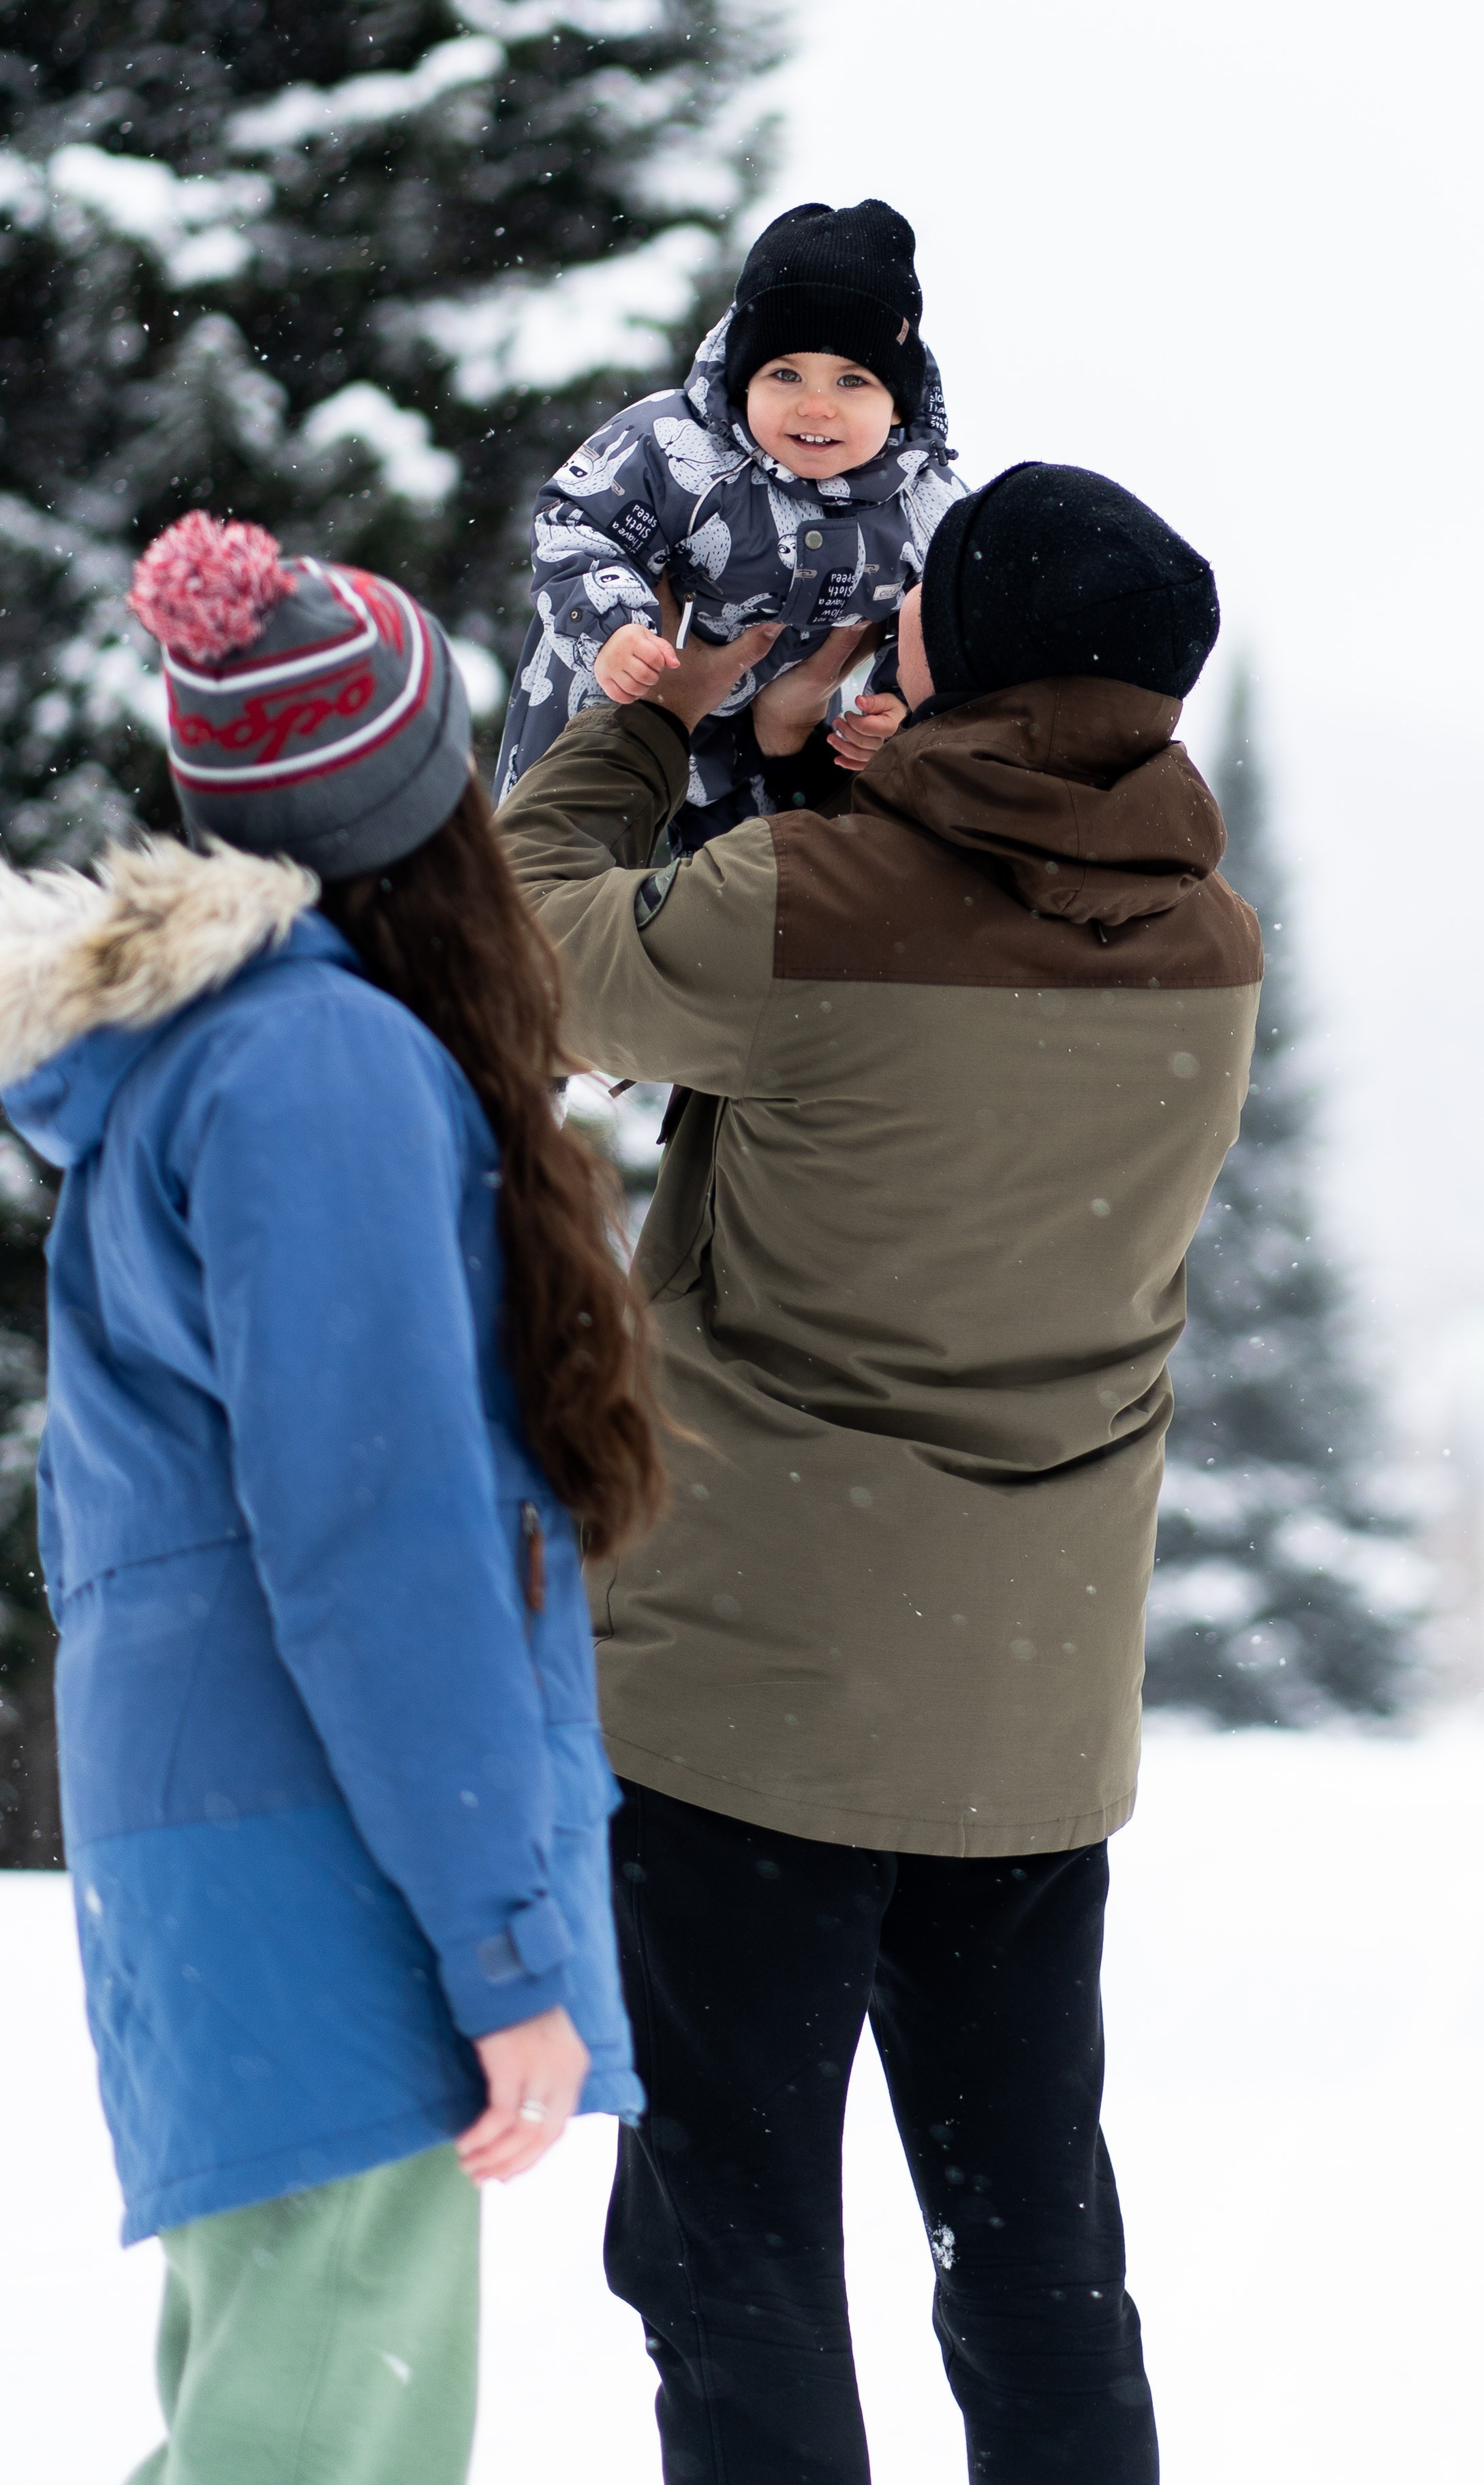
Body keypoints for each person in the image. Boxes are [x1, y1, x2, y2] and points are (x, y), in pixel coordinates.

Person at [495, 459, 1265, 2484]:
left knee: (732, 2249)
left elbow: (529, 945)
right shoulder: (1210, 946)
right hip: (1028, 1706)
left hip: (753, 1700)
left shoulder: (808, 904)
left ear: (972, 650)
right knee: (1034, 2249)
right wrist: (875, 768)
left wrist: (656, 726)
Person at [0, 511, 662, 2485]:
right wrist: (502, 1943)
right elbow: (378, 1545)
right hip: (326, 1854)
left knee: (269, 2420)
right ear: (424, 802)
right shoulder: (319, 1070)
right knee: (310, 2443)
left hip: (235, 1837)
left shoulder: (212, 1058)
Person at [493, 197, 968, 850]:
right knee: (564, 875)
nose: (816, 406)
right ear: (744, 382)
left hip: (757, 759)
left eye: (852, 381)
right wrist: (613, 629)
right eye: (785, 374)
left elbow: (944, 615)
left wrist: (897, 701)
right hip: (609, 710)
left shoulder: (926, 505)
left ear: (897, 406)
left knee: (724, 891)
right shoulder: (672, 445)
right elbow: (576, 522)